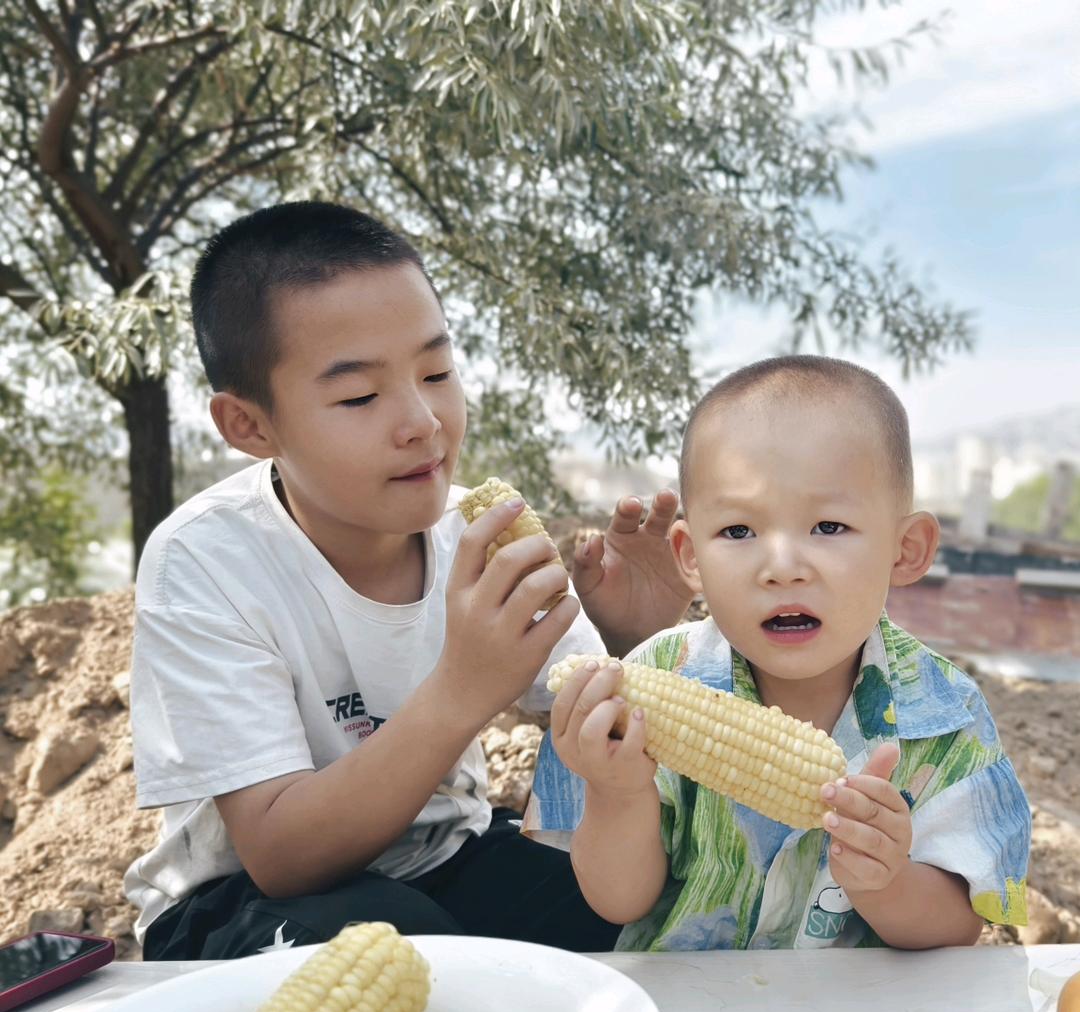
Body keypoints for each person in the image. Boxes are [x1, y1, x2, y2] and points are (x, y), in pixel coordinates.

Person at [123, 201, 692, 960]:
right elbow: (280, 854)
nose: (422, 420)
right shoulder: (203, 561)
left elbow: (593, 717)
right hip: (239, 903)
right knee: (393, 942)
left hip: (443, 856)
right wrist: (462, 689)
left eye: (436, 372)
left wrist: (640, 641)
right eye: (359, 396)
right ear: (250, 426)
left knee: (644, 921)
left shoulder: (480, 537)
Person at [526, 356, 1031, 950]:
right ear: (689, 556)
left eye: (828, 526)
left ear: (906, 549)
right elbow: (618, 902)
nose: (783, 568)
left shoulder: (950, 722)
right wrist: (618, 794)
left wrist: (887, 882)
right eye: (739, 532)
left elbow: (957, 925)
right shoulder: (647, 682)